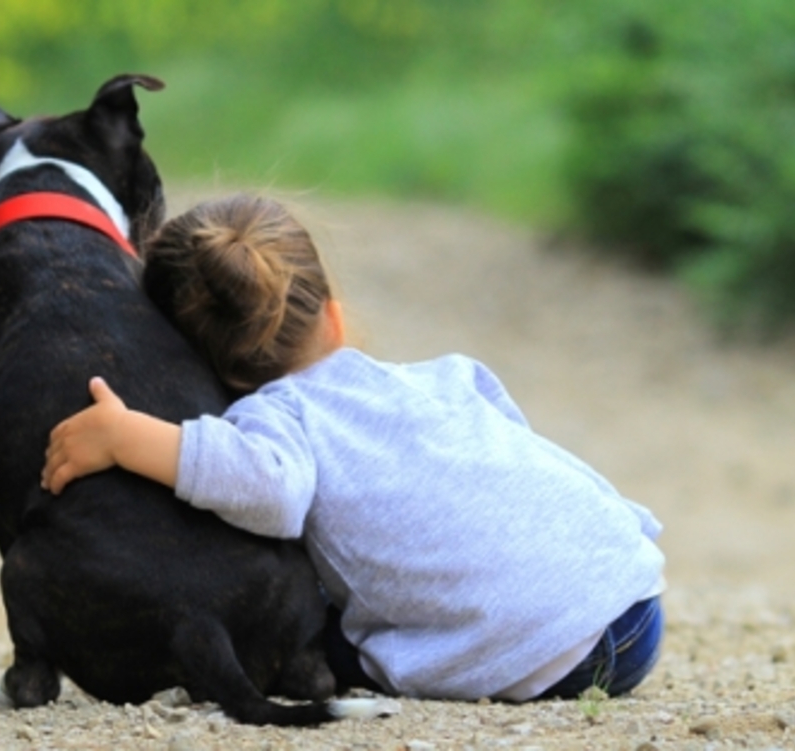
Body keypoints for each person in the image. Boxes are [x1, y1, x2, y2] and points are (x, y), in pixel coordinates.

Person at [40, 193, 666, 702]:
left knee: (318, 637)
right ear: (332, 317)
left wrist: (131, 437)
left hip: (552, 658)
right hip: (632, 599)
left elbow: (269, 489)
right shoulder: (448, 375)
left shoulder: (277, 416)